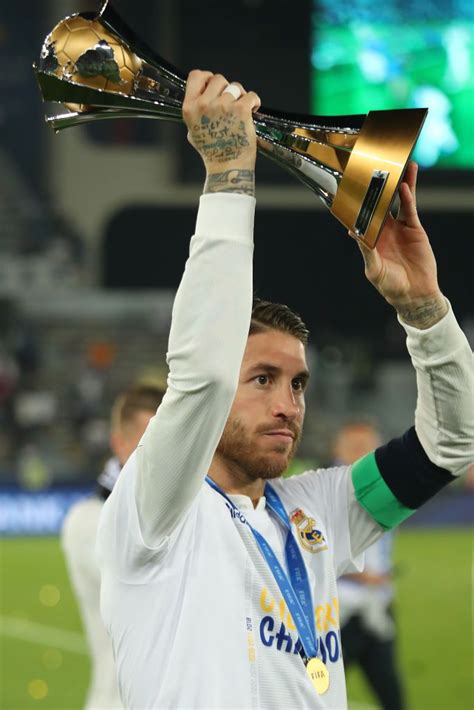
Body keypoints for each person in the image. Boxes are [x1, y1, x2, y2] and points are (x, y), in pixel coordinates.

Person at [97, 70, 473, 709]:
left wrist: (426, 310)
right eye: (263, 379)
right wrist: (227, 175)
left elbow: (451, 446)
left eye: (298, 383)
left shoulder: (317, 509)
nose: (287, 403)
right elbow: (204, 374)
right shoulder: (155, 509)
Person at [62, 384, 165, 710]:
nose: (160, 457)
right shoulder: (87, 520)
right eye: (146, 444)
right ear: (118, 443)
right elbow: (147, 582)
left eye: (170, 443)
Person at [334, 420, 405, 710]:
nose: (359, 451)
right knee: (315, 693)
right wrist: (364, 577)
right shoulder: (324, 492)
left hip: (377, 609)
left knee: (392, 693)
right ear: (337, 449)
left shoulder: (388, 486)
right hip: (339, 613)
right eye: (353, 445)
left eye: (366, 445)